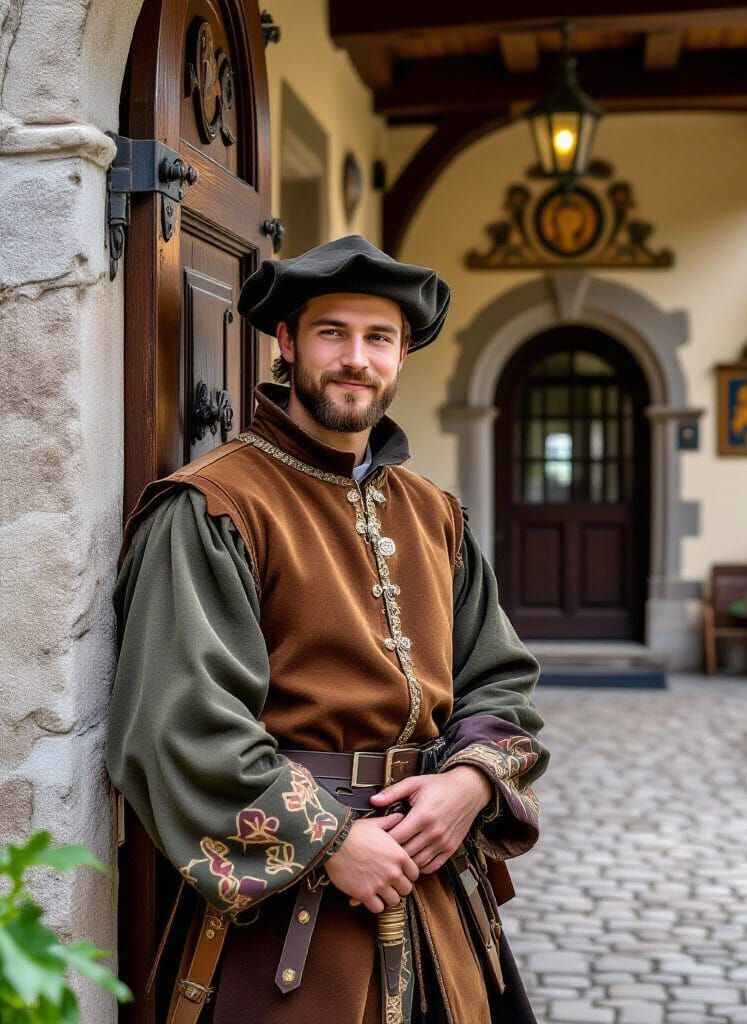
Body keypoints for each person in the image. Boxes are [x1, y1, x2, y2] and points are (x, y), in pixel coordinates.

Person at [107, 235, 548, 1024]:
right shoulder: (212, 507)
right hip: (287, 919)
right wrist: (330, 840)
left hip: (441, 892)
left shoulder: (433, 512)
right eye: (332, 333)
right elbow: (178, 726)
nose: (356, 358)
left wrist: (466, 784)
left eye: (379, 338)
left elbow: (500, 679)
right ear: (286, 344)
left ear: (402, 353)